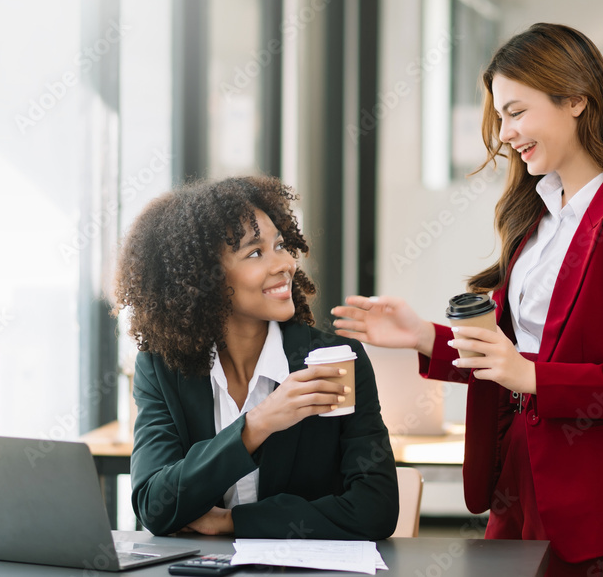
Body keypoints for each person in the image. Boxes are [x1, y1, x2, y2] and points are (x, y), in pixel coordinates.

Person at [332, 22, 603, 576]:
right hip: (516, 481)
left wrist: (535, 378)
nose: (504, 133)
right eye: (501, 116)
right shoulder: (537, 218)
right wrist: (425, 337)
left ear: (576, 99)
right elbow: (511, 359)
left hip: (597, 505)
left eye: (516, 112)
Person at [114, 175, 398, 540]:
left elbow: (376, 509)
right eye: (255, 252)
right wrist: (256, 425)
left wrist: (233, 522)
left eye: (280, 245)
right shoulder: (162, 369)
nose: (284, 264)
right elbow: (155, 505)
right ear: (205, 279)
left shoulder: (336, 362)